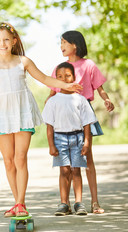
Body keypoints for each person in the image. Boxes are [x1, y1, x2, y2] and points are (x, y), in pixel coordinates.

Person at [0, 22, 83, 217]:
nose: (2, 43)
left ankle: (20, 204)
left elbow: (45, 79)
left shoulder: (23, 61)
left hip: (22, 112)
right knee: (8, 161)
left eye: (6, 40)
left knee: (20, 158)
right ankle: (18, 202)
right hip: (0, 115)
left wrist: (66, 86)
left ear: (14, 41)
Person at [46, 30, 115, 214]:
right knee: (66, 165)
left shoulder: (89, 65)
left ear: (74, 44)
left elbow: (100, 89)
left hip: (83, 113)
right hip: (63, 114)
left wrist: (106, 99)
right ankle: (66, 203)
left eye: (63, 43)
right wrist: (48, 102)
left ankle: (94, 202)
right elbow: (54, 90)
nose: (61, 46)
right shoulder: (60, 67)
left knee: (86, 160)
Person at [42, 62, 97, 216]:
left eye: (68, 76)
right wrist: (51, 145)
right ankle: (64, 203)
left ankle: (79, 203)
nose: (64, 79)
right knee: (64, 171)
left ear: (74, 77)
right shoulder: (52, 101)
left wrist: (86, 142)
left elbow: (86, 123)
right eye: (59, 77)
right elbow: (49, 127)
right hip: (59, 138)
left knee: (76, 171)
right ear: (55, 80)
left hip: (78, 137)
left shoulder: (80, 100)